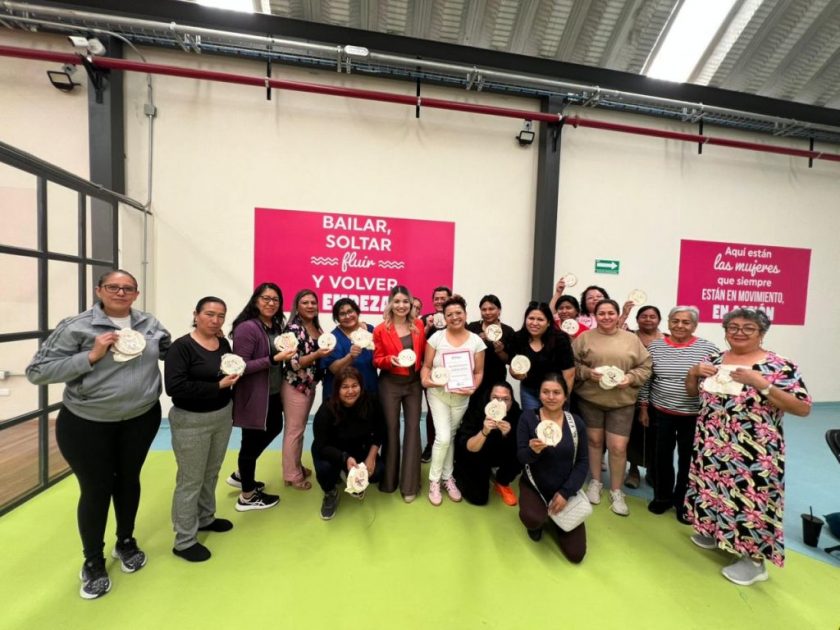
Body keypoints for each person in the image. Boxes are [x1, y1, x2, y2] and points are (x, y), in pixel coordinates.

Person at [26, 269, 170, 599]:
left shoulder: (149, 324)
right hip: (87, 423)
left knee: (129, 480)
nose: (120, 293)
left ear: (136, 294)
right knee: (96, 489)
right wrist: (90, 356)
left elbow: (169, 351)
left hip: (140, 419)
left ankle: (126, 542)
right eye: (113, 287)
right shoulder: (76, 327)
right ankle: (92, 560)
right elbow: (37, 372)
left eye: (127, 288)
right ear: (99, 290)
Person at [684, 308, 811, 586]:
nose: (739, 332)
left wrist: (762, 384)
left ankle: (754, 561)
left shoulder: (778, 365)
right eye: (733, 327)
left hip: (754, 450)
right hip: (711, 443)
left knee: (751, 500)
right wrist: (693, 373)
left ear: (761, 333)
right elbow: (693, 393)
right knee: (712, 491)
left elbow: (802, 408)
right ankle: (715, 531)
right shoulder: (714, 360)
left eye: (748, 328)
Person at [164, 296, 238, 562]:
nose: (215, 320)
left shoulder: (223, 343)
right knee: (190, 480)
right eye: (209, 314)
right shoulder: (181, 347)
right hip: (191, 421)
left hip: (222, 415)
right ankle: (184, 540)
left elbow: (227, 370)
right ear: (196, 314)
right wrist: (217, 386)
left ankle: (206, 518)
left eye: (221, 316)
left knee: (211, 472)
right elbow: (174, 387)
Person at [572, 299, 651, 516]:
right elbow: (572, 364)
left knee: (618, 447)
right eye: (602, 313)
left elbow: (646, 366)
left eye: (610, 313)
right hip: (590, 400)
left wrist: (630, 378)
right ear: (595, 315)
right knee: (594, 442)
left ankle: (616, 491)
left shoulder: (631, 339)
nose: (606, 317)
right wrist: (587, 373)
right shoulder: (584, 338)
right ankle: (596, 482)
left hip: (621, 402)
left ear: (617, 315)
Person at [639, 307, 718, 523]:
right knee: (661, 457)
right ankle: (662, 498)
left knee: (688, 460)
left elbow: (715, 380)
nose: (680, 325)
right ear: (668, 322)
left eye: (686, 322)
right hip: (660, 412)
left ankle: (683, 502)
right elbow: (647, 380)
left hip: (694, 415)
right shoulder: (655, 347)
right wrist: (644, 407)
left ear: (695, 325)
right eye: (675, 321)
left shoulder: (708, 349)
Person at [228, 283, 295, 511]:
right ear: (256, 300)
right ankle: (247, 496)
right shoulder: (247, 327)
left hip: (272, 391)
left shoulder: (275, 326)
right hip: (254, 394)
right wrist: (273, 360)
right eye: (266, 298)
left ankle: (242, 474)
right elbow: (241, 366)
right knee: (250, 443)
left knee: (274, 426)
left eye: (275, 299)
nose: (271, 303)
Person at [517, 373, 588, 563]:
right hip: (535, 486)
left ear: (565, 396)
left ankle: (556, 517)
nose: (550, 397)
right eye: (545, 392)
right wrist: (532, 451)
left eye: (556, 392)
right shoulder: (528, 418)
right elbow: (521, 457)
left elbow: (583, 462)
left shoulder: (576, 423)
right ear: (539, 394)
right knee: (533, 519)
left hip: (565, 489)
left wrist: (566, 493)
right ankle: (540, 518)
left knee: (576, 554)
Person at [421, 295, 485, 505]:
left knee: (451, 436)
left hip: (461, 397)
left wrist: (473, 388)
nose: (455, 317)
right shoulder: (436, 338)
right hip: (438, 394)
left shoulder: (476, 341)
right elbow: (426, 366)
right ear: (444, 317)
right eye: (450, 314)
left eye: (459, 313)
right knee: (443, 437)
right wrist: (425, 380)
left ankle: (448, 478)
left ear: (466, 314)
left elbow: (479, 372)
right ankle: (434, 480)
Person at [372, 285, 427, 501]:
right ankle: (389, 481)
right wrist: (389, 360)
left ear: (411, 304)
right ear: (390, 304)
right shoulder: (380, 329)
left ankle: (410, 485)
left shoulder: (419, 325)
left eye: (405, 301)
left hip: (413, 384)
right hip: (390, 383)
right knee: (391, 430)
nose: (401, 305)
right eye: (397, 301)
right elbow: (376, 359)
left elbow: (424, 354)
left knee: (413, 430)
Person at [311, 367, 385, 519]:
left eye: (354, 385)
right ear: (337, 389)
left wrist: (371, 457)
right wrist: (344, 458)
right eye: (345, 387)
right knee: (325, 470)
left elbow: (380, 430)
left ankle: (349, 474)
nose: (350, 391)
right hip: (332, 452)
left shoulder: (371, 401)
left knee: (378, 471)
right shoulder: (326, 409)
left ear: (361, 386)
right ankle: (330, 492)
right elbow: (321, 445)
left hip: (359, 449)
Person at [282, 289, 331, 490]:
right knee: (294, 430)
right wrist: (318, 354)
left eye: (313, 302)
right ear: (297, 306)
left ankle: (294, 467)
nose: (310, 306)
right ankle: (292, 475)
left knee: (299, 429)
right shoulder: (293, 329)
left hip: (309, 386)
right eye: (305, 302)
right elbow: (293, 363)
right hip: (295, 385)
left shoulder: (315, 326)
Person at [453, 382, 522, 506]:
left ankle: (502, 481)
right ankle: (460, 472)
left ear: (512, 401)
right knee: (478, 499)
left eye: (506, 399)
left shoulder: (515, 412)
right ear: (489, 398)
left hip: (498, 452)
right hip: (475, 453)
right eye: (495, 398)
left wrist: (507, 434)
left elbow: (520, 448)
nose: (500, 403)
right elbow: (469, 447)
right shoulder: (477, 408)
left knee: (523, 450)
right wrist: (484, 432)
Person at [505, 302, 575, 411]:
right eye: (531, 318)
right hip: (529, 391)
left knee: (554, 421)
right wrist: (515, 374)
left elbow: (569, 373)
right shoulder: (518, 337)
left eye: (540, 319)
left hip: (554, 392)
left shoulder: (560, 339)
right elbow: (513, 365)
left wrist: (563, 397)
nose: (534, 323)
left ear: (548, 322)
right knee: (532, 420)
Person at [625, 305, 665, 489]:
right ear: (637, 319)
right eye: (644, 316)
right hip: (631, 390)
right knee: (634, 433)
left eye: (652, 316)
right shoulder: (629, 337)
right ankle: (633, 470)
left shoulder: (666, 339)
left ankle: (652, 471)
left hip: (659, 394)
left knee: (656, 436)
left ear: (659, 320)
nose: (648, 319)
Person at [320, 297, 377, 402]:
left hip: (369, 390)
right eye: (342, 314)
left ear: (357, 312)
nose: (347, 316)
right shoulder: (332, 338)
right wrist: (350, 357)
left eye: (350, 311)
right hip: (342, 396)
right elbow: (334, 369)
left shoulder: (371, 330)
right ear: (337, 318)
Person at [421, 285, 452, 462]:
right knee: (433, 411)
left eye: (443, 298)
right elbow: (417, 344)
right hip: (431, 374)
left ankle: (449, 446)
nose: (439, 301)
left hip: (452, 373)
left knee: (452, 411)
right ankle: (430, 445)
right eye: (436, 299)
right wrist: (427, 327)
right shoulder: (425, 319)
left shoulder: (455, 318)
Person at [465, 294, 513, 404]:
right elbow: (464, 352)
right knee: (474, 407)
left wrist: (500, 351)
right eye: (484, 309)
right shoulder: (472, 327)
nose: (487, 312)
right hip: (474, 378)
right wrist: (476, 341)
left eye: (491, 309)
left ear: (499, 310)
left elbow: (509, 360)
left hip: (497, 378)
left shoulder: (508, 331)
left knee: (494, 407)